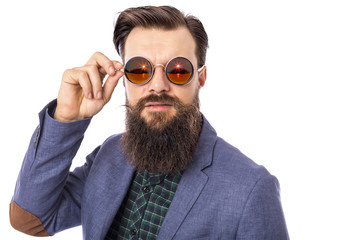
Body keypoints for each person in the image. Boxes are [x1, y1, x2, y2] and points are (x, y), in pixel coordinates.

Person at [9, 5, 289, 240]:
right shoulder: (109, 156)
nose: (157, 85)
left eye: (178, 71)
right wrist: (66, 118)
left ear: (200, 79)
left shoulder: (251, 189)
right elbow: (30, 219)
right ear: (123, 78)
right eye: (139, 70)